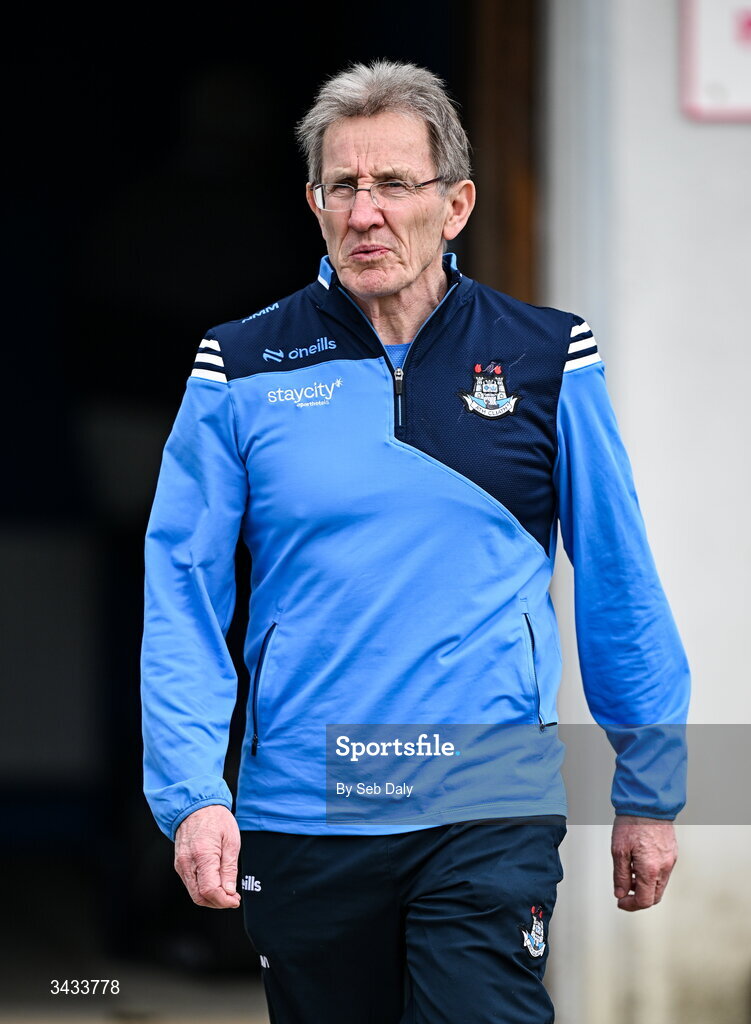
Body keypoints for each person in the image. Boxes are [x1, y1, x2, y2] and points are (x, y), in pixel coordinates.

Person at [141, 60, 690, 1023]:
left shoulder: (548, 356)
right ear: (313, 203)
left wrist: (650, 786)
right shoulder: (239, 364)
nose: (367, 213)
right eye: (343, 186)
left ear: (456, 202)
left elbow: (618, 577)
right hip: (304, 806)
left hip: (485, 800)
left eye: (395, 184)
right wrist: (192, 792)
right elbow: (181, 589)